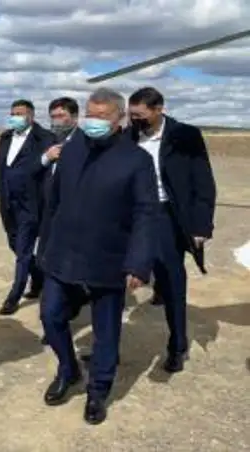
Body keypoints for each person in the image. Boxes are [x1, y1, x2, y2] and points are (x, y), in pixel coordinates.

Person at [39, 87, 157, 425]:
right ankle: (68, 369)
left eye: (102, 116)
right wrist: (44, 244)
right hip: (63, 253)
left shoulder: (136, 160)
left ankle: (98, 391)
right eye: (90, 114)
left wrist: (139, 262)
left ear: (119, 119)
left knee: (106, 332)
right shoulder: (73, 150)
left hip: (109, 258)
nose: (94, 121)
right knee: (51, 316)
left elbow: (146, 214)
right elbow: (54, 200)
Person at [126, 86, 217, 373]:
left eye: (140, 115)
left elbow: (203, 181)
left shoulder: (185, 136)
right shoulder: (128, 136)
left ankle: (177, 345)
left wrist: (201, 225)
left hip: (166, 214)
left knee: (172, 276)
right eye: (131, 115)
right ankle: (107, 349)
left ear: (158, 109)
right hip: (133, 213)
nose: (135, 120)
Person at [0, 99, 54, 316]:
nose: (15, 117)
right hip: (8, 202)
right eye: (13, 113)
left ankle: (14, 296)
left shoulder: (44, 138)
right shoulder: (6, 137)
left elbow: (48, 168)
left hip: (30, 203)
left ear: (31, 116)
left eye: (20, 114)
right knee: (14, 244)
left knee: (23, 250)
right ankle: (39, 277)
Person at [37, 97, 80, 346]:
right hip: (49, 218)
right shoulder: (49, 141)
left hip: (72, 220)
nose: (56, 121)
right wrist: (46, 158)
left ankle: (62, 313)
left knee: (66, 271)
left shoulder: (83, 143)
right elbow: (31, 171)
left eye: (61, 116)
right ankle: (54, 320)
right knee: (48, 267)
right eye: (53, 116)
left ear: (74, 117)